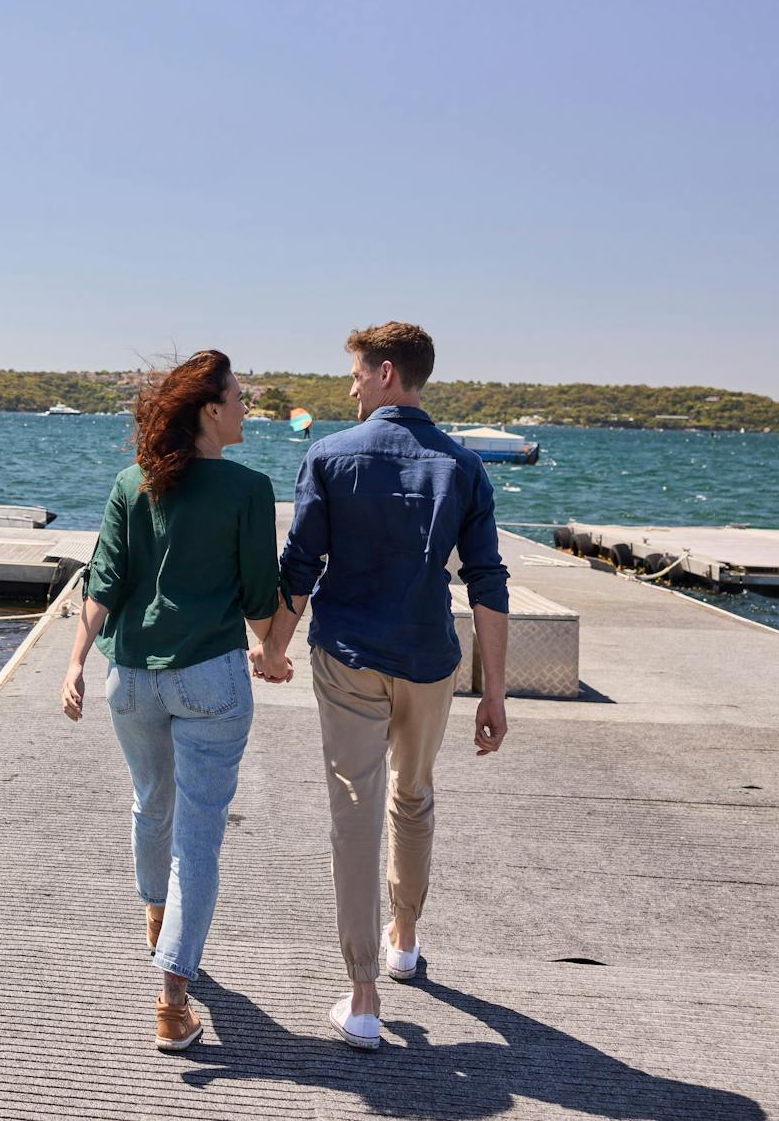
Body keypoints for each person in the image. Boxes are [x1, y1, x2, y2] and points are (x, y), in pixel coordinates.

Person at [254, 322, 510, 1051]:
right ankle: (404, 939)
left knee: (356, 813)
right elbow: (487, 580)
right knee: (414, 795)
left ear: (387, 372)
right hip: (430, 659)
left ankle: (363, 995)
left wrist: (274, 647)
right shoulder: (463, 466)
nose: (351, 389)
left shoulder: (330, 456)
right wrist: (494, 693)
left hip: (349, 656)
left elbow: (300, 564)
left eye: (357, 375)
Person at [61, 350, 284, 1054]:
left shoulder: (134, 482)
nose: (247, 408)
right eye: (239, 398)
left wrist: (74, 664)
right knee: (199, 835)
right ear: (211, 411)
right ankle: (171, 1000)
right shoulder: (249, 489)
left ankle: (158, 921)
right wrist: (274, 649)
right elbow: (260, 596)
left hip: (129, 676)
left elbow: (102, 579)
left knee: (150, 802)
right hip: (209, 677)